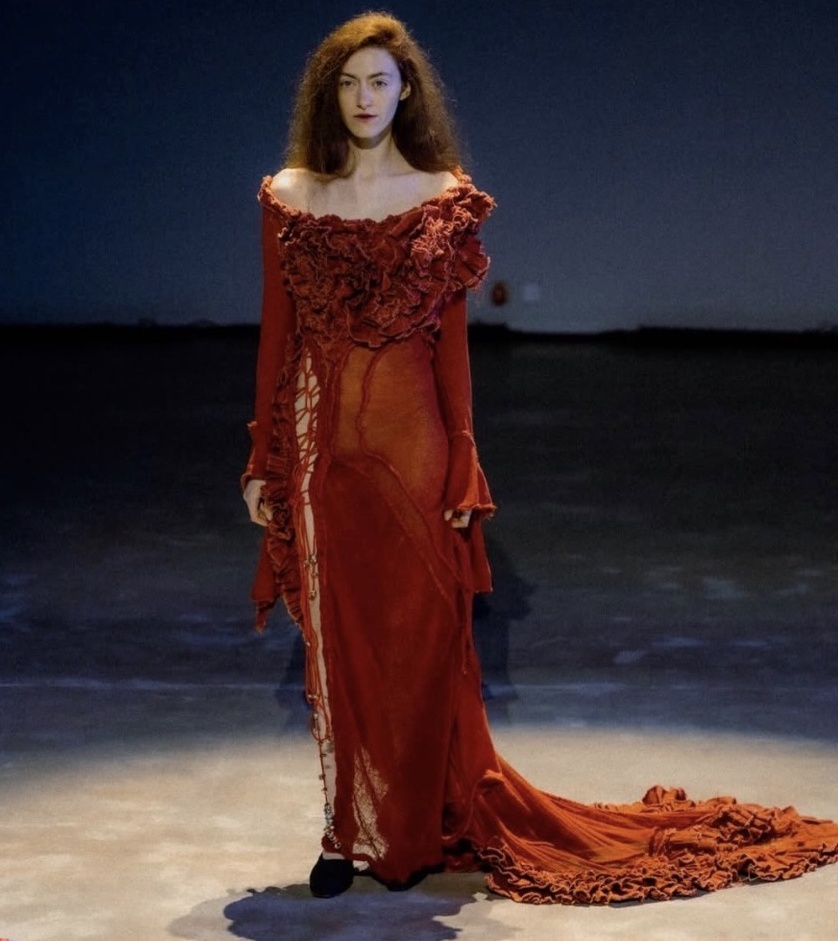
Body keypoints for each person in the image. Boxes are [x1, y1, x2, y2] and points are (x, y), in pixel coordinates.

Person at [242, 12, 838, 903]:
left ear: (405, 93)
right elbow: (277, 337)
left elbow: (450, 351)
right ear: (327, 95)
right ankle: (345, 831)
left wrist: (463, 459)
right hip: (322, 450)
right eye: (348, 83)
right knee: (338, 643)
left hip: (415, 449)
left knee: (419, 642)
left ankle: (411, 827)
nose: (364, 98)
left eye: (379, 82)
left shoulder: (442, 196)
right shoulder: (290, 197)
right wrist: (263, 458)